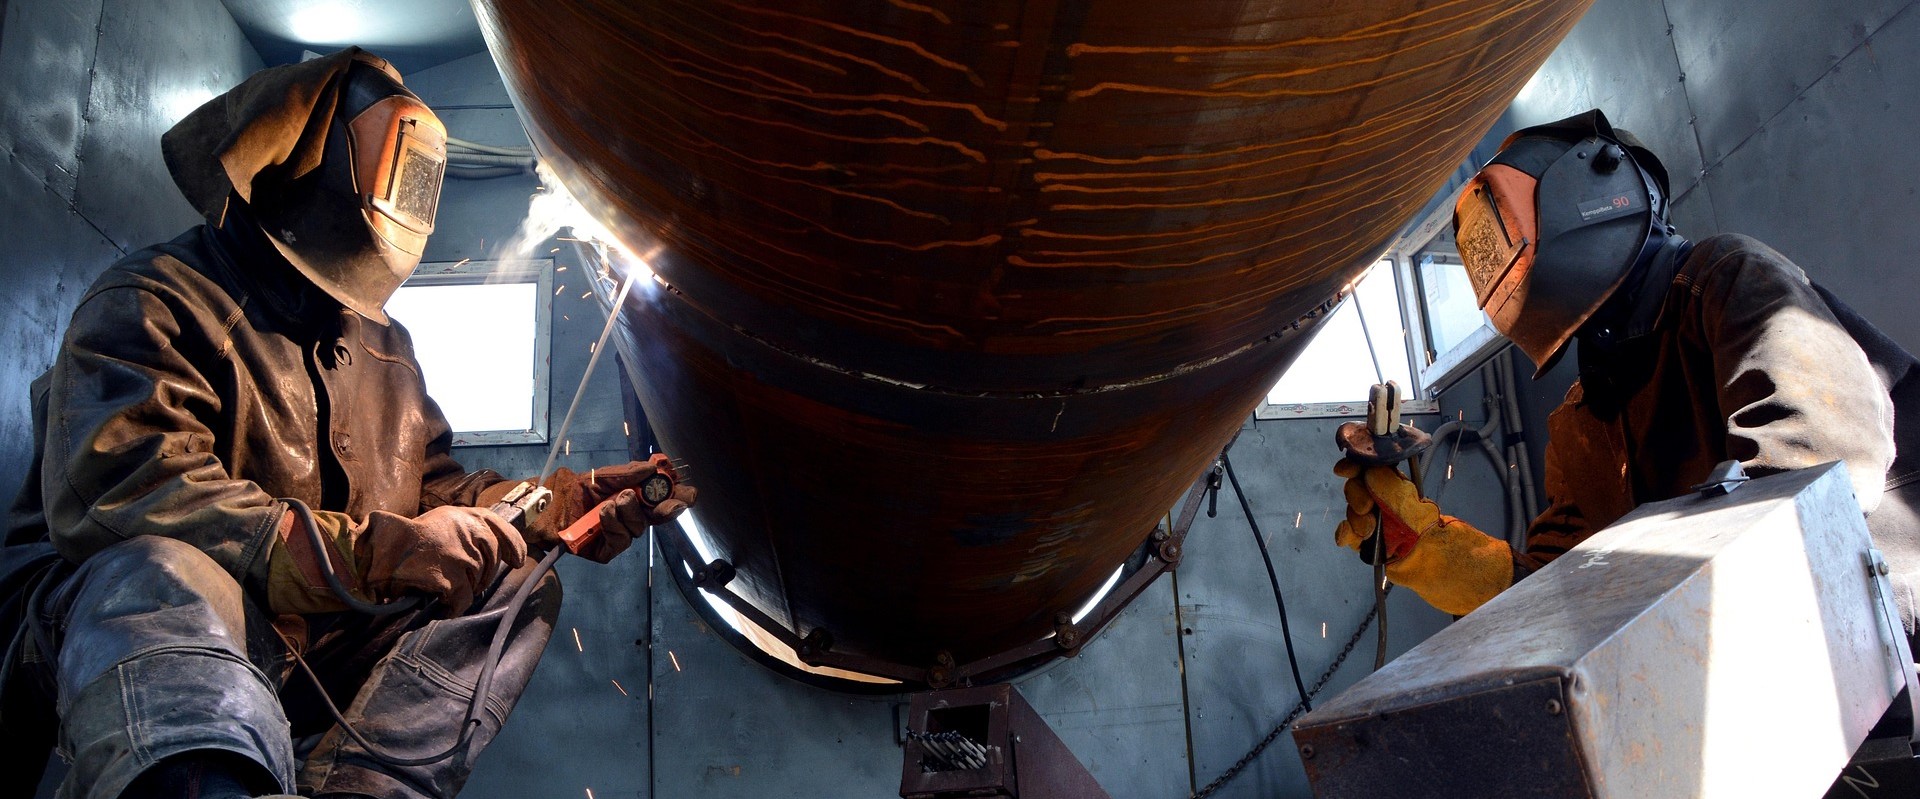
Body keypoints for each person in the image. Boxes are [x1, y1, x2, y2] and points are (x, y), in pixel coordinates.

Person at [0, 49, 694, 799]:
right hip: (129, 633)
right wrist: (373, 554)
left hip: (303, 645)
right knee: (168, 569)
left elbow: (434, 492)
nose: (341, 304)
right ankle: (204, 781)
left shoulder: (383, 347)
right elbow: (131, 496)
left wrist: (562, 502)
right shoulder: (156, 301)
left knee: (517, 585)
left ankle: (359, 789)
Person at [1331, 109, 1918, 634]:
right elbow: (1561, 590)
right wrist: (1432, 550)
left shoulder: (1725, 280)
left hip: (1884, 621)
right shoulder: (1583, 420)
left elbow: (1818, 484)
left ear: (1599, 183)